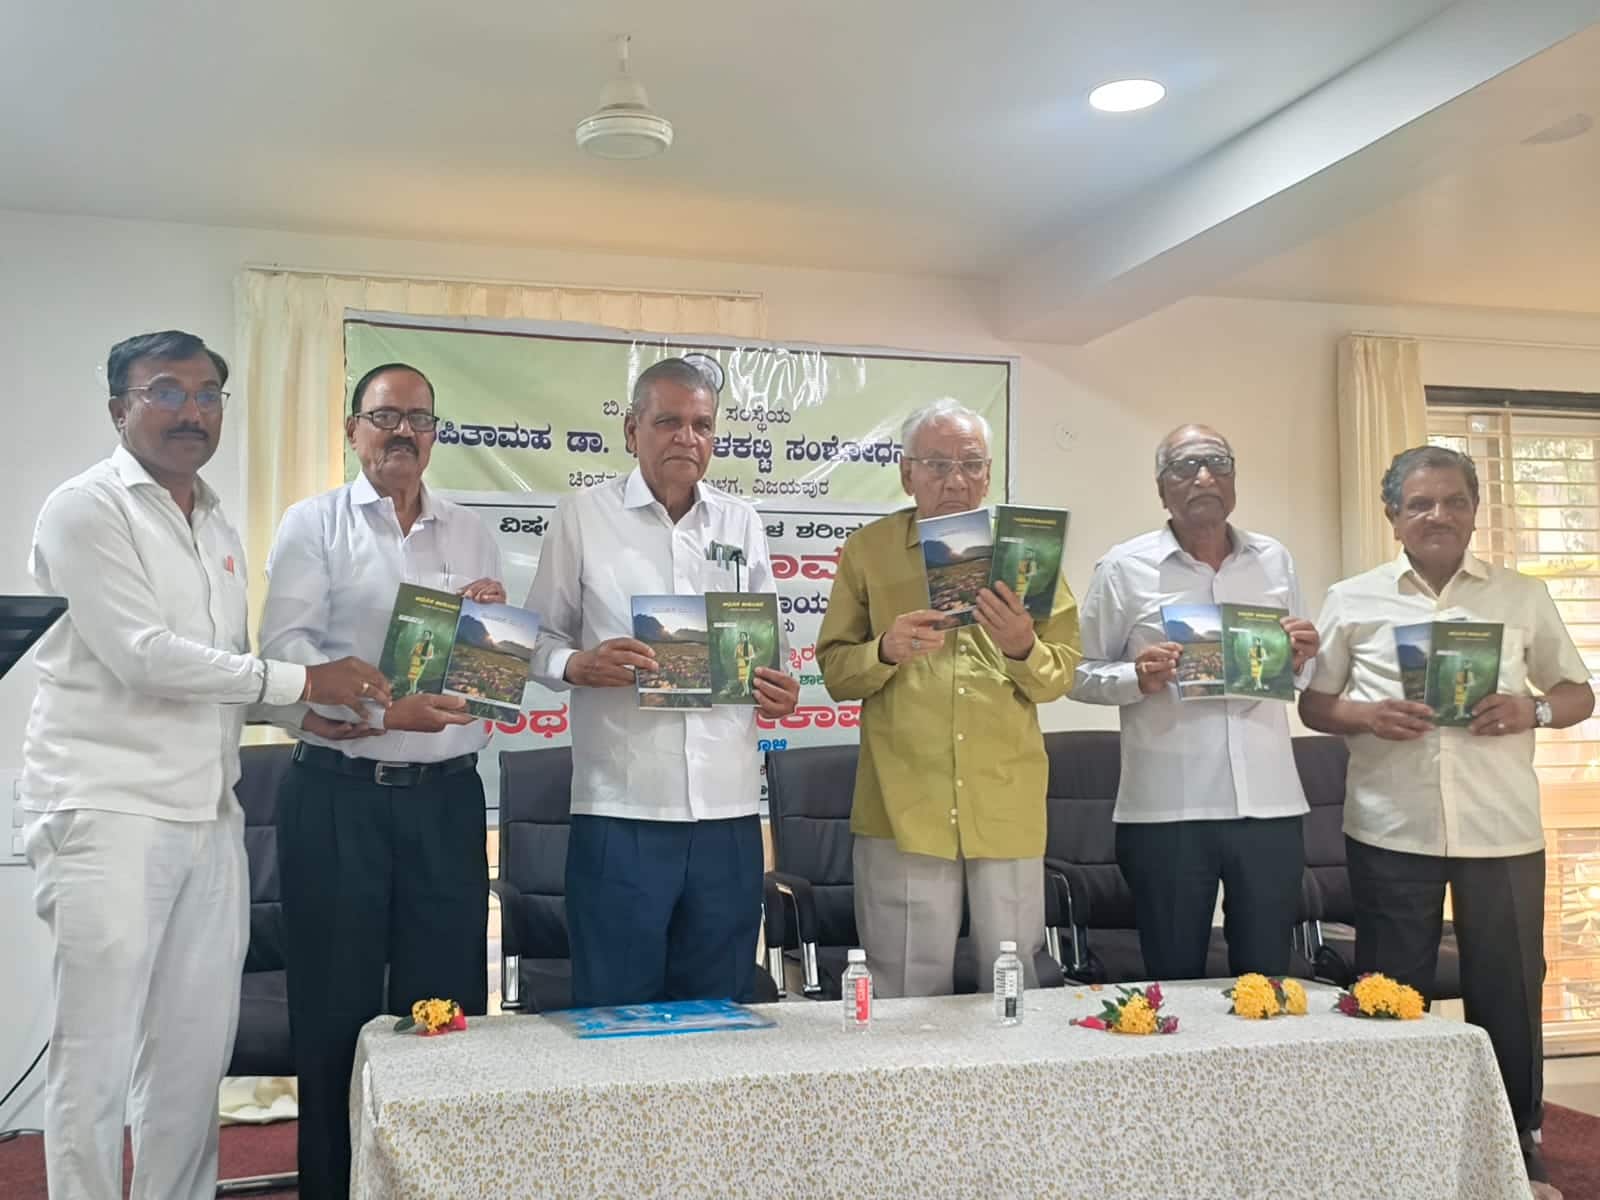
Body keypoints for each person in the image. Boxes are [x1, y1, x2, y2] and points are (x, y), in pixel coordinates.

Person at [18, 331, 385, 1200]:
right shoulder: (85, 509)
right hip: (107, 811)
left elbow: (220, 668)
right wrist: (303, 682)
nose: (192, 411)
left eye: (209, 394)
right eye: (167, 392)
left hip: (209, 814)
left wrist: (300, 715)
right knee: (96, 1056)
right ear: (120, 408)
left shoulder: (215, 521)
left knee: (191, 1056)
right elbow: (144, 656)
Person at [1300, 445, 1593, 1199]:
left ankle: (1516, 1139)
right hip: (1390, 825)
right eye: (1421, 503)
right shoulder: (1351, 598)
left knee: (1510, 988)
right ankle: (1394, 1141)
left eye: (1455, 501)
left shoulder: (1522, 596)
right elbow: (1314, 703)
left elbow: (1577, 692)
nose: (1439, 515)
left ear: (1475, 510)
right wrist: (1366, 715)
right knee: (1392, 990)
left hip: (1503, 828)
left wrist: (1531, 709)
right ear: (1393, 515)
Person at [255, 362, 506, 1200]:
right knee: (336, 1015)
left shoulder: (470, 530)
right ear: (352, 428)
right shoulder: (314, 524)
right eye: (386, 416)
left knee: (449, 1009)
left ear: (435, 433)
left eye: (420, 419)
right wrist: (380, 711)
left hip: (447, 801)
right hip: (339, 799)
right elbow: (285, 655)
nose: (403, 432)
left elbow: (485, 665)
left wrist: (489, 632)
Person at [528, 357, 801, 1007]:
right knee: (616, 1010)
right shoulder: (582, 517)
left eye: (702, 425)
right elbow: (535, 642)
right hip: (622, 811)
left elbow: (773, 650)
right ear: (632, 431)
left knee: (719, 1009)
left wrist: (781, 689)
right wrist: (576, 665)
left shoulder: (740, 523)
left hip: (729, 813)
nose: (687, 437)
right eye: (668, 422)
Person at [817, 398, 1081, 997]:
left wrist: (1022, 646)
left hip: (1005, 803)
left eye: (971, 464)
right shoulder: (869, 551)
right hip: (903, 804)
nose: (956, 480)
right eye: (937, 465)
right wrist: (884, 651)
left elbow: (1061, 675)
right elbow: (835, 672)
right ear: (906, 473)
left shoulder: (1028, 552)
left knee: (1013, 987)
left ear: (988, 475)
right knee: (905, 989)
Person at [1070, 425, 1319, 980]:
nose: (1203, 476)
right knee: (1173, 983)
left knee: (1268, 985)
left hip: (1270, 804)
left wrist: (1304, 655)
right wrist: (1136, 677)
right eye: (1185, 466)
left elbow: (1302, 673)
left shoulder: (1273, 560)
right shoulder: (1124, 568)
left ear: (1234, 480)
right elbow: (1075, 671)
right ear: (1161, 488)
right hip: (1168, 810)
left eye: (1217, 463)